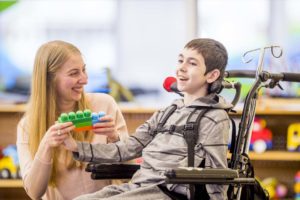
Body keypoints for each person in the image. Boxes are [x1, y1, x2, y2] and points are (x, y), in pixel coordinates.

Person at [64, 38, 232, 200]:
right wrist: (77, 147)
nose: (181, 68)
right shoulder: (167, 112)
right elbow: (127, 148)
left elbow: (217, 175)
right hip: (139, 187)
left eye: (192, 63)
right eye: (181, 61)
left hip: (168, 192)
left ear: (211, 75)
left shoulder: (214, 118)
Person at [16, 40, 129, 200]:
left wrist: (115, 139)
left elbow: (130, 174)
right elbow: (34, 193)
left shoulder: (105, 105)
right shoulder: (27, 126)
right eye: (74, 73)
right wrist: (46, 146)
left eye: (84, 70)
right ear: (49, 80)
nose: (84, 79)